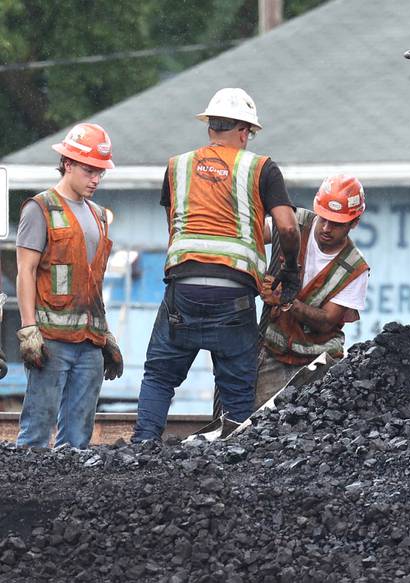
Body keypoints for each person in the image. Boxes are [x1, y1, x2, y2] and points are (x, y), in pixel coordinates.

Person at [132, 88, 300, 442]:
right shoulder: (260, 168)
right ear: (244, 130)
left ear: (210, 126)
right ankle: (232, 455)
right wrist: (290, 272)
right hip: (233, 296)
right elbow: (287, 227)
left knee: (160, 375)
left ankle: (143, 448)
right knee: (237, 386)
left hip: (184, 289)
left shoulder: (178, 167)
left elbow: (176, 226)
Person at [15, 123, 123, 449]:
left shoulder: (101, 217)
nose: (96, 179)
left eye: (100, 172)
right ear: (68, 164)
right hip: (50, 341)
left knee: (78, 440)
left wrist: (106, 334)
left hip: (90, 344)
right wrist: (29, 329)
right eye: (90, 170)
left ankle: (69, 500)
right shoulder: (41, 209)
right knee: (36, 431)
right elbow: (25, 272)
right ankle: (22, 496)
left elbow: (92, 281)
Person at [256, 174, 370, 407]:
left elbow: (327, 321)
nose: (326, 228)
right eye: (324, 218)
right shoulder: (292, 223)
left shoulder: (354, 268)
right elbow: (253, 237)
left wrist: (285, 301)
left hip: (318, 363)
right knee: (254, 421)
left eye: (337, 224)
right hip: (273, 352)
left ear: (354, 222)